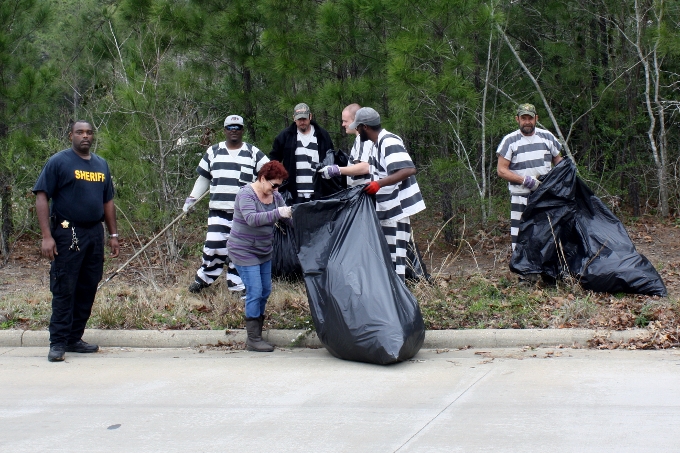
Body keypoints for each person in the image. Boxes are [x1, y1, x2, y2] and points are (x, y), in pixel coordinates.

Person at [33, 120, 120, 362]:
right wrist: (46, 237)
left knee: (88, 286)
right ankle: (58, 343)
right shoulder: (59, 162)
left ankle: (74, 338)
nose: (85, 136)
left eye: (89, 133)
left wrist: (113, 235)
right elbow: (42, 196)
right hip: (66, 232)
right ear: (70, 134)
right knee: (64, 288)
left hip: (94, 233)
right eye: (80, 132)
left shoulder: (101, 164)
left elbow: (108, 202)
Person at [184, 115, 269, 294]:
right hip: (218, 210)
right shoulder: (213, 151)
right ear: (224, 130)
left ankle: (237, 285)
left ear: (243, 130)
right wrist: (192, 199)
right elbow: (203, 179)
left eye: (237, 127)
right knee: (214, 246)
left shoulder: (253, 153)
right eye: (230, 127)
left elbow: (269, 173)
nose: (234, 130)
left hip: (243, 214)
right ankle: (204, 279)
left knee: (239, 250)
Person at [350, 107, 426, 282]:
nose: (356, 130)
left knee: (396, 259)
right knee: (391, 256)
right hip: (387, 208)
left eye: (358, 127)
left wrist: (379, 184)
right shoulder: (377, 144)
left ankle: (398, 300)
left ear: (365, 127)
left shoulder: (388, 141)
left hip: (397, 210)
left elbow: (408, 169)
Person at [227, 161, 292, 352]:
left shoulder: (275, 196)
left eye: (279, 185)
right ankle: (253, 339)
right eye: (273, 185)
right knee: (255, 291)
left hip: (264, 250)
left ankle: (258, 332)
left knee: (265, 291)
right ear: (262, 178)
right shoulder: (245, 194)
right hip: (243, 250)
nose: (276, 189)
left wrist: (304, 221)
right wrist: (277, 213)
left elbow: (287, 218)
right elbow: (252, 219)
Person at [496, 103, 563, 251]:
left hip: (545, 196)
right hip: (521, 196)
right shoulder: (510, 141)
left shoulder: (547, 137)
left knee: (546, 234)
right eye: (523, 118)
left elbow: (558, 161)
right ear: (517, 119)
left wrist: (562, 177)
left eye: (530, 118)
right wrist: (525, 180)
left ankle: (547, 270)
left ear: (536, 119)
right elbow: (501, 170)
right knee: (521, 234)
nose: (527, 122)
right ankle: (523, 272)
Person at [269, 103, 334, 204]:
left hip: (319, 192)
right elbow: (274, 159)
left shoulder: (322, 135)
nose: (302, 122)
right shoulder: (285, 136)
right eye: (299, 119)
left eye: (304, 118)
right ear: (294, 118)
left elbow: (331, 158)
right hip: (294, 194)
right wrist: (275, 183)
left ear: (310, 116)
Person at [317, 103, 371, 187]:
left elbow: (366, 167)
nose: (343, 124)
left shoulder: (363, 139)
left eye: (345, 121)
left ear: (356, 120)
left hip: (365, 193)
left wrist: (337, 170)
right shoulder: (360, 139)